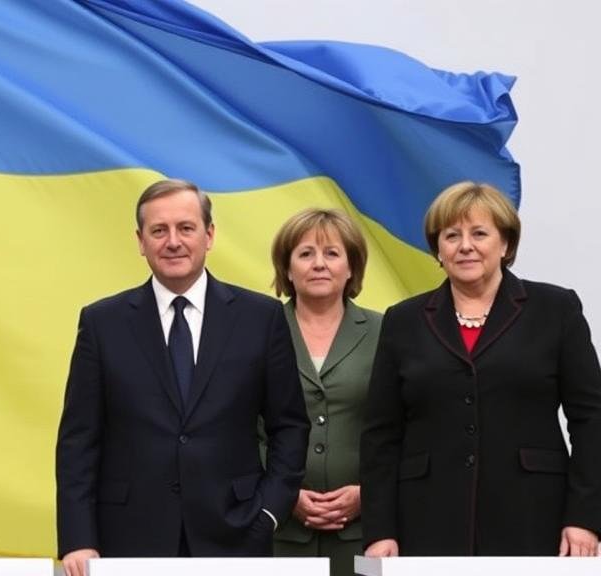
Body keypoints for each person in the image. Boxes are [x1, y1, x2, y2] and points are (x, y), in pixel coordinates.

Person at [55, 178, 310, 576]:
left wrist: (269, 514)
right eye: (159, 230)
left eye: (186, 228)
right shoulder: (102, 323)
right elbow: (78, 441)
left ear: (209, 235)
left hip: (236, 536)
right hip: (129, 539)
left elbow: (290, 427)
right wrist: (78, 539)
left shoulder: (260, 318)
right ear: (141, 241)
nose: (173, 241)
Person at [361, 181, 601, 557]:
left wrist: (585, 517)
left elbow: (591, 419)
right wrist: (379, 530)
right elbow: (381, 434)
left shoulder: (556, 309)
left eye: (479, 233)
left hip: (534, 516)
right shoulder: (402, 320)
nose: (465, 246)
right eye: (451, 235)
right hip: (426, 520)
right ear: (438, 249)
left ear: (505, 244)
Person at [265, 209, 381, 576]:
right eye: (305, 254)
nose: (319, 264)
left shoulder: (388, 331)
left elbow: (403, 426)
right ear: (286, 268)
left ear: (352, 267)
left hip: (366, 536)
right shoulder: (255, 329)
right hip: (278, 533)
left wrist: (369, 493)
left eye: (332, 253)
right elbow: (238, 425)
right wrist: (285, 494)